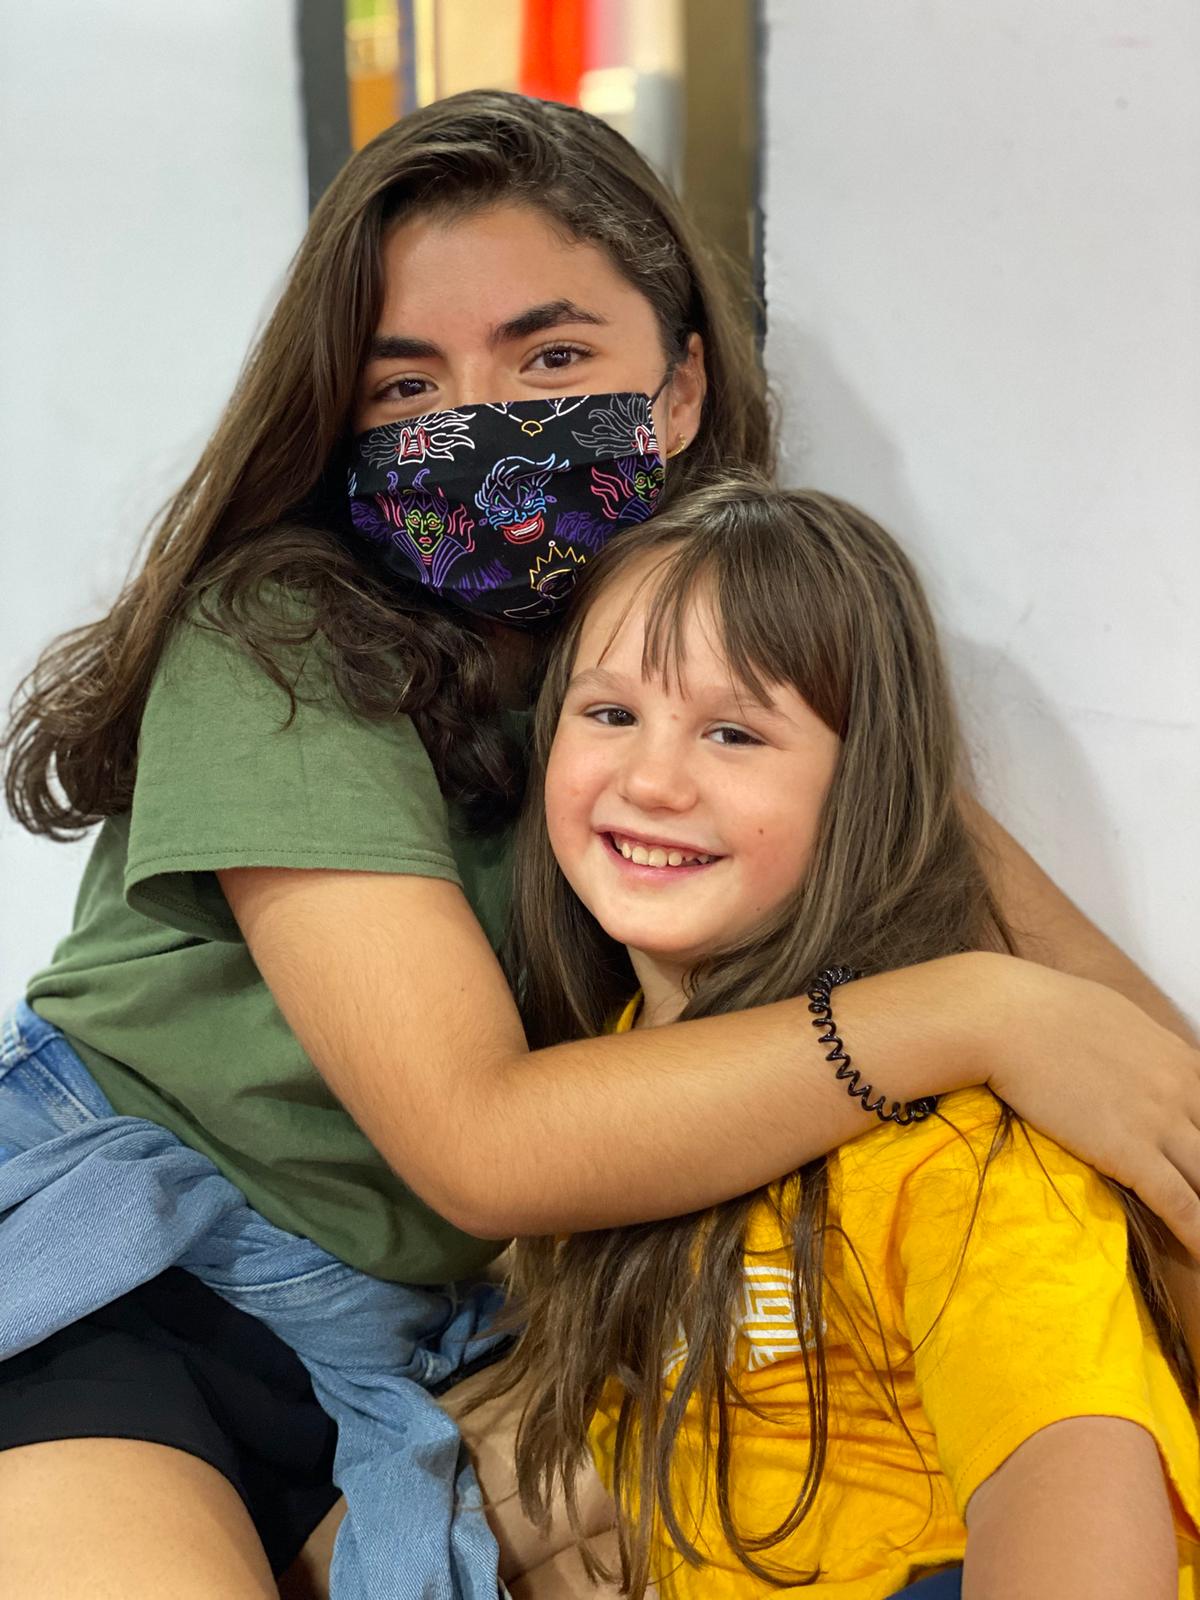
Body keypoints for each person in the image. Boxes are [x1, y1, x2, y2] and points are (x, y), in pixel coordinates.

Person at [1, 90, 1197, 1599]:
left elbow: (1124, 1064)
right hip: (144, 1277)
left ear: (681, 386)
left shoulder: (733, 637)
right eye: (406, 384)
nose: (479, 422)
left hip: (454, 1338)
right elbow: (481, 1145)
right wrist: (981, 1013)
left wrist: (1051, 1029)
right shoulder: (281, 636)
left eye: (553, 357)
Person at [481, 476, 1200, 1599]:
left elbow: (1075, 1490)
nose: (652, 779)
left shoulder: (957, 1148)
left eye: (733, 732)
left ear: (862, 791)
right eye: (610, 713)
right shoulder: (611, 1081)